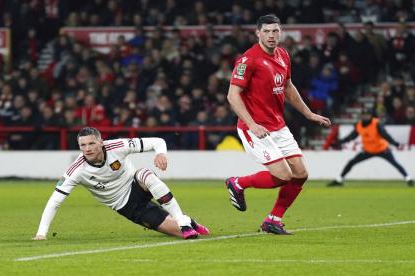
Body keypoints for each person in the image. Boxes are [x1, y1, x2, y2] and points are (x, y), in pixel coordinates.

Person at [224, 14, 331, 235]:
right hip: (255, 128)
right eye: (267, 31)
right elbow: (233, 95)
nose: (271, 36)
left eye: (275, 31)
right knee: (283, 176)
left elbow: (288, 87)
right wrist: (251, 124)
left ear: (280, 32)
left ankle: (273, 219)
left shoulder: (283, 55)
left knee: (300, 174)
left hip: (278, 126)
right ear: (258, 33)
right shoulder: (248, 59)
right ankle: (238, 183)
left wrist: (308, 113)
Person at [33, 127, 209, 240]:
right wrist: (41, 233)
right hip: (126, 205)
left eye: (91, 143)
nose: (87, 149)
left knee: (146, 174)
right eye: (83, 145)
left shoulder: (117, 146)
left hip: (135, 183)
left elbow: (157, 141)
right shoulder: (76, 170)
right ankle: (189, 222)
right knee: (179, 233)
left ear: (101, 142)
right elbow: (54, 202)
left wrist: (161, 153)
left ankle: (182, 221)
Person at [328, 109, 413, 187]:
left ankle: (408, 179)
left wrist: (395, 144)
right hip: (368, 150)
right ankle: (339, 180)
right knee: (351, 162)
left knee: (395, 163)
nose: (365, 116)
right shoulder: (359, 125)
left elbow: (385, 135)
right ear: (362, 116)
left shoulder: (376, 123)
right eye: (364, 115)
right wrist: (339, 142)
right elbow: (351, 137)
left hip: (382, 149)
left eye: (367, 115)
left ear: (370, 115)